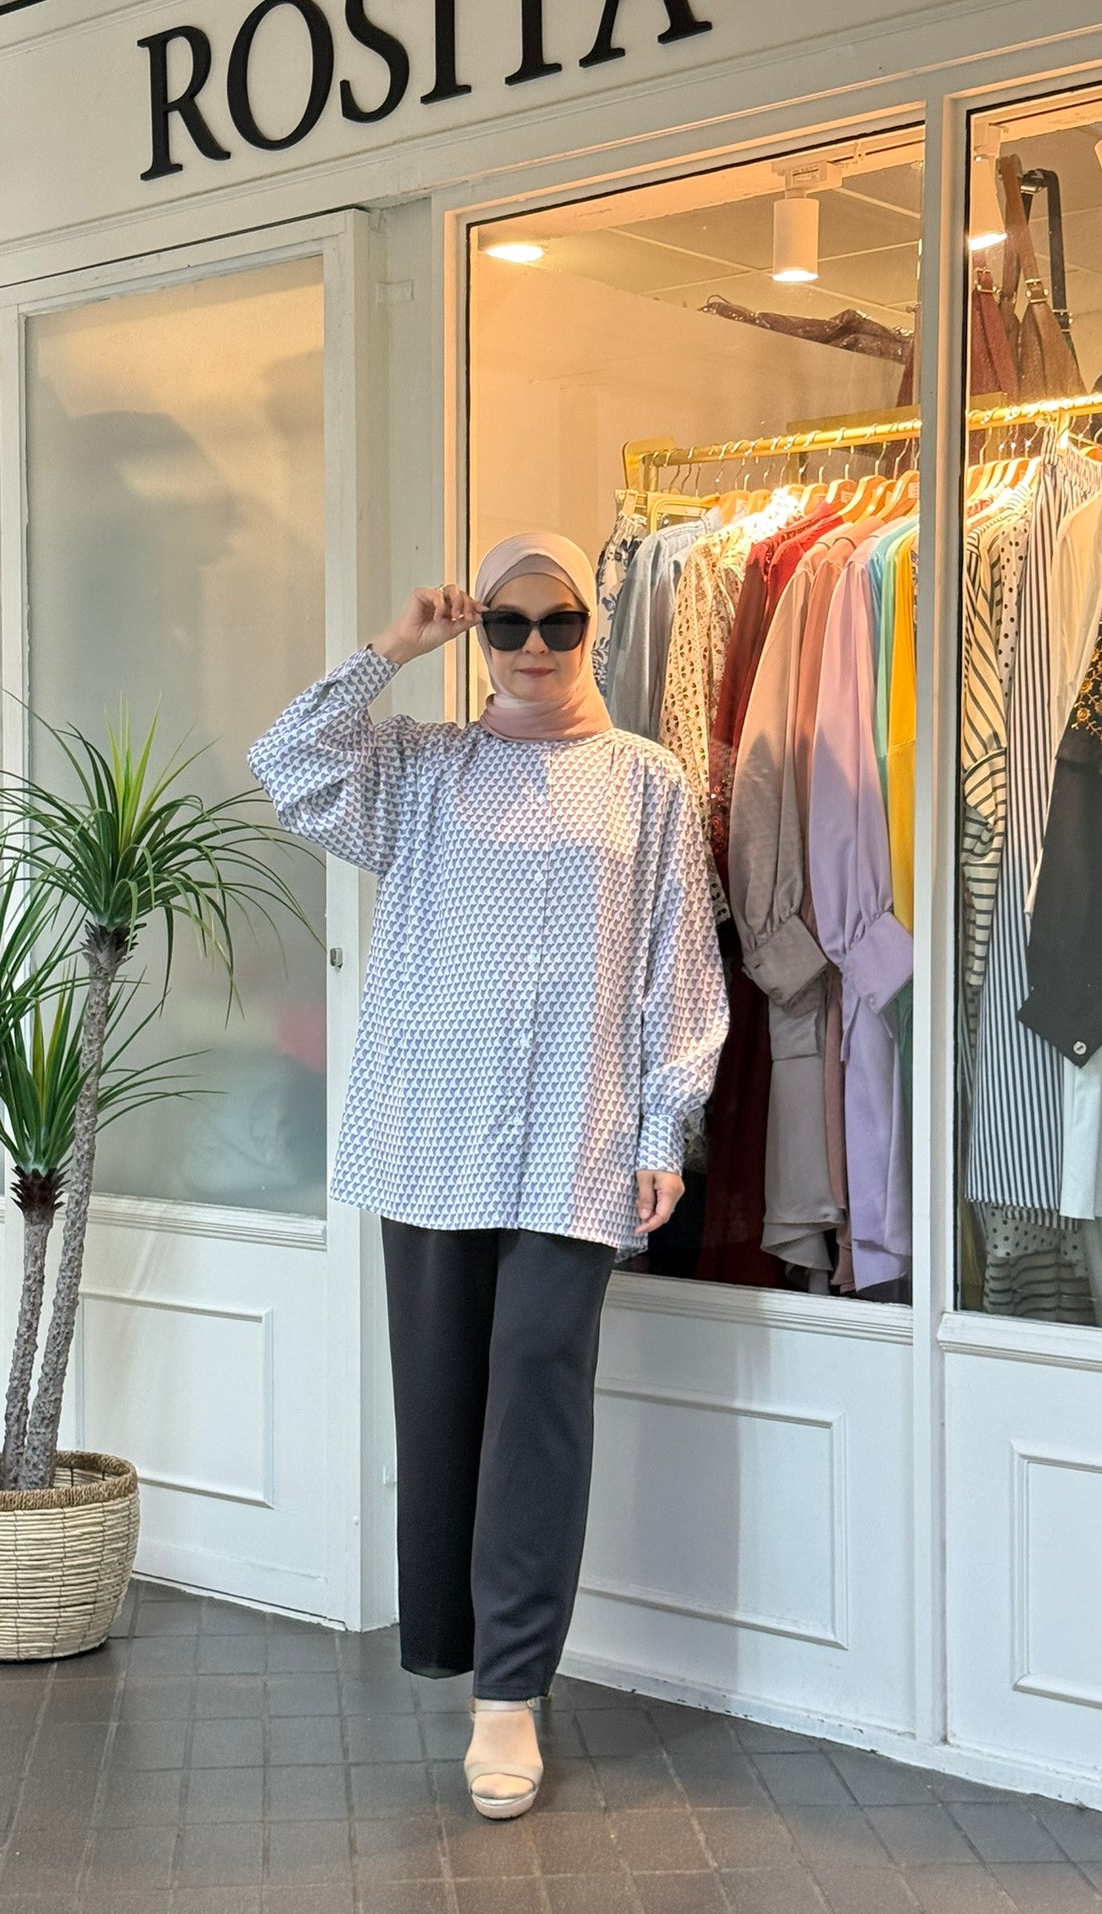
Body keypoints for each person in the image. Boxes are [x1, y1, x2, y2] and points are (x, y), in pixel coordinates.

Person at [248, 531, 728, 1819]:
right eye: (504, 626)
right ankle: (464, 1660)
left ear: (592, 630)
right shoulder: (424, 766)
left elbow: (683, 966)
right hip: (428, 1134)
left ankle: (510, 1692)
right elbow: (285, 765)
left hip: (574, 1135)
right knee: (444, 1396)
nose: (528, 649)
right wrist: (398, 648)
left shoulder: (648, 782)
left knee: (537, 1396)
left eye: (556, 624)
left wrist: (662, 1128)